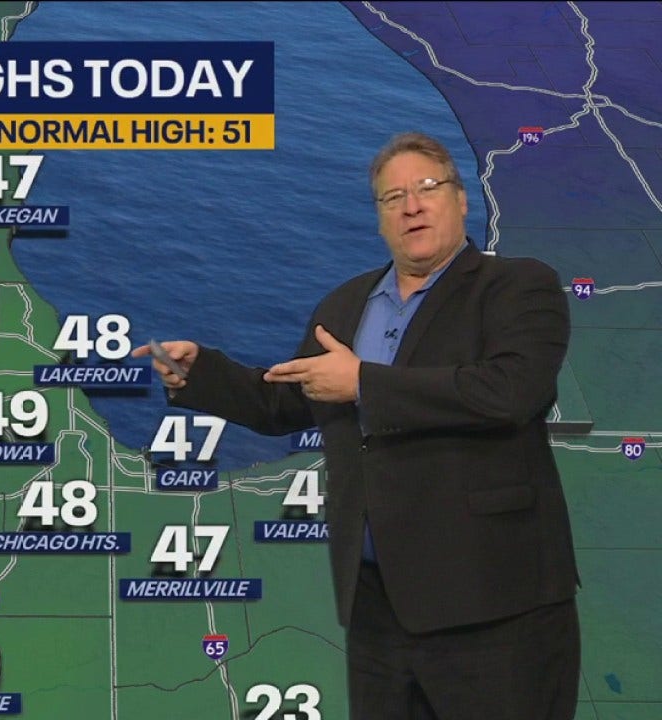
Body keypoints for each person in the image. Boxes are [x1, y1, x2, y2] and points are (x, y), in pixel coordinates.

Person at [132, 132, 580, 719]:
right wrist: (200, 374)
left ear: (461, 199)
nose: (411, 206)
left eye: (427, 188)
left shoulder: (518, 286)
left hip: (494, 605)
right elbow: (285, 404)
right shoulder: (345, 306)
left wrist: (364, 382)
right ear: (379, 219)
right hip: (376, 607)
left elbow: (511, 391)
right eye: (393, 197)